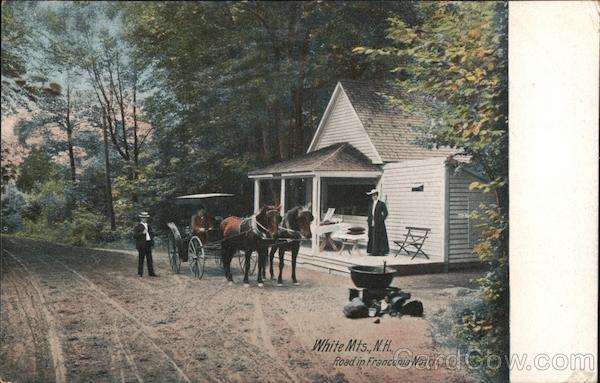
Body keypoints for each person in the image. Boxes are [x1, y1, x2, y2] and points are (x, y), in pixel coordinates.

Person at [133, 212, 157, 277]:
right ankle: (140, 273)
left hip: (148, 244)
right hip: (141, 245)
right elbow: (135, 236)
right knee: (141, 259)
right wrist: (142, 233)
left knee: (150, 259)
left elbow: (152, 234)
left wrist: (152, 240)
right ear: (141, 218)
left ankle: (151, 273)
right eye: (143, 218)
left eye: (146, 218)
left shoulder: (148, 226)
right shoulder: (138, 226)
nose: (145, 219)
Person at [366, 189, 389, 256]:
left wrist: (380, 220)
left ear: (377, 195)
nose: (374, 197)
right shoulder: (371, 204)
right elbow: (370, 213)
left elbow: (385, 213)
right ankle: (372, 251)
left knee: (379, 237)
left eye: (375, 195)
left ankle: (380, 251)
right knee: (372, 236)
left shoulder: (381, 204)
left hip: (379, 224)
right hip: (371, 223)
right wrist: (368, 219)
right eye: (372, 195)